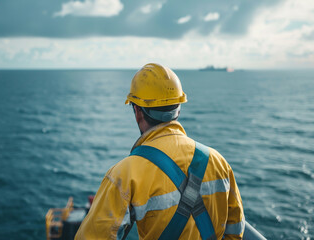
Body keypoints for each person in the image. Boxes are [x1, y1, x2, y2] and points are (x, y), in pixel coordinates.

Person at [75, 63, 245, 239]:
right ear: (178, 108)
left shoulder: (125, 174)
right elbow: (235, 231)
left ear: (137, 111)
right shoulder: (219, 162)